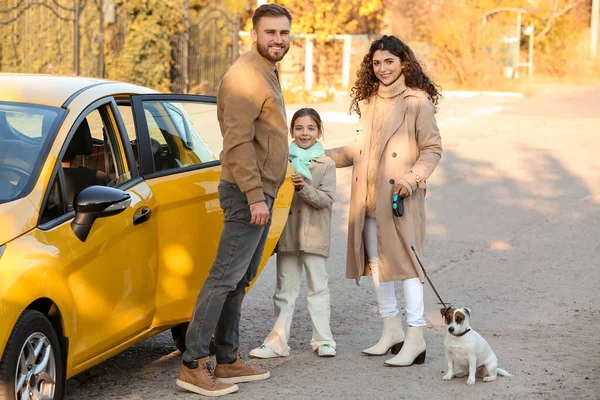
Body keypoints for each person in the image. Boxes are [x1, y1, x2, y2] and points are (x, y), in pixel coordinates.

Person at [175, 4, 292, 397]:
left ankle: (226, 358)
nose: (278, 39)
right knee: (223, 277)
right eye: (270, 32)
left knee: (239, 280)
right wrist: (256, 197)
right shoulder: (245, 77)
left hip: (261, 192)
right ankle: (193, 364)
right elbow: (238, 143)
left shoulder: (266, 70)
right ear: (254, 34)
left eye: (283, 33)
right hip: (247, 194)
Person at [327, 35, 442, 367]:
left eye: (389, 61)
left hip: (399, 198)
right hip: (368, 199)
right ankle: (391, 330)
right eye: (376, 63)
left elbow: (432, 150)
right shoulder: (370, 102)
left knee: (408, 268)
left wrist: (410, 179)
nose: (382, 69)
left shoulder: (416, 101)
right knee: (377, 265)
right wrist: (320, 157)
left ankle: (416, 338)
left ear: (403, 62)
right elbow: (359, 151)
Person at [249, 108, 337, 360]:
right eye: (299, 128)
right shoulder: (283, 161)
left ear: (319, 131)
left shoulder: (326, 164)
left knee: (318, 289)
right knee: (284, 291)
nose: (304, 133)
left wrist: (303, 188)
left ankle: (323, 340)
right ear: (291, 131)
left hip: (315, 235)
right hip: (287, 234)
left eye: (310, 128)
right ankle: (277, 342)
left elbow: (326, 200)